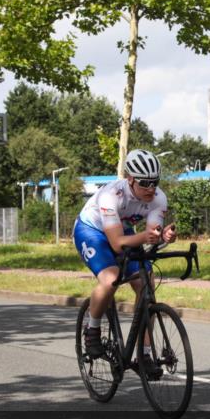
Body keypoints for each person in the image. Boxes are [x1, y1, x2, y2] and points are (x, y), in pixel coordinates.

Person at [73, 149, 177, 365]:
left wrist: (163, 237)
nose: (151, 188)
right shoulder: (111, 195)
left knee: (146, 285)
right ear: (130, 179)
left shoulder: (159, 198)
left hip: (122, 230)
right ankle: (92, 329)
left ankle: (144, 354)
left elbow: (150, 237)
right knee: (110, 279)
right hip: (92, 231)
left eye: (155, 182)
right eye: (144, 183)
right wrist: (146, 236)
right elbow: (117, 244)